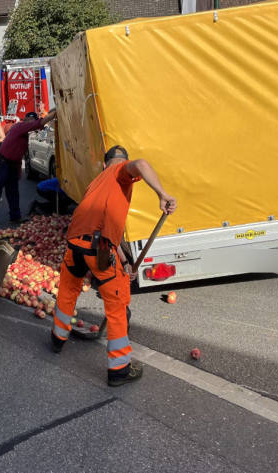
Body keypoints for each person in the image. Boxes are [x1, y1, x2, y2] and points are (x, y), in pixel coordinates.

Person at [51, 145, 177, 387]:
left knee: (67, 291)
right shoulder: (121, 171)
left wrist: (126, 261)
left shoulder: (96, 182)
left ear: (102, 164)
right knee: (117, 305)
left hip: (75, 245)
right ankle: (119, 369)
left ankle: (58, 339)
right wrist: (162, 194)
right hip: (98, 250)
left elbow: (109, 232)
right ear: (119, 163)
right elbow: (141, 164)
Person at [0, 109, 56, 224]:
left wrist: (18, 169)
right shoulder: (21, 126)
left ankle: (15, 217)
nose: (33, 123)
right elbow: (41, 122)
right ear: (26, 119)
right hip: (4, 162)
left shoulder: (26, 131)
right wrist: (56, 112)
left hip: (11, 164)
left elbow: (19, 151)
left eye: (34, 120)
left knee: (13, 192)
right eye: (31, 120)